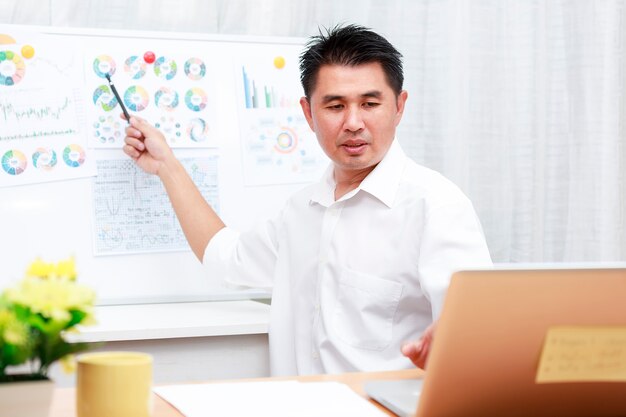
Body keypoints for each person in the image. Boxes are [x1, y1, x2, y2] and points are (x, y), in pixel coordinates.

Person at [123, 24, 492, 376]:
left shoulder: (436, 206)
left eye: (370, 103)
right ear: (308, 113)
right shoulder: (301, 211)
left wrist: (456, 334)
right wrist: (167, 166)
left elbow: (477, 327)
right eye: (335, 106)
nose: (353, 123)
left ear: (399, 106)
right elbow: (225, 259)